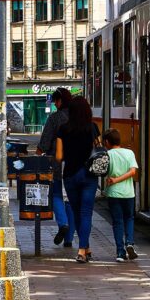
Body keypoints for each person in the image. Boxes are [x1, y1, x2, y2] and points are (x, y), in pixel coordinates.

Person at [55, 96, 99, 263]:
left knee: (76, 212)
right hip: (89, 175)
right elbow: (99, 150)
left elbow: (59, 156)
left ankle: (83, 249)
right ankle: (84, 249)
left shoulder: (63, 129)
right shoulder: (93, 128)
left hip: (70, 175)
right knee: (86, 213)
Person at [36, 88, 75, 247]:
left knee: (56, 194)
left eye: (55, 101)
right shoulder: (76, 117)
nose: (54, 104)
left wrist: (38, 153)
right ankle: (69, 239)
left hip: (57, 162)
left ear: (60, 101)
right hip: (75, 164)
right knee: (71, 200)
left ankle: (63, 224)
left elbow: (45, 142)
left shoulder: (54, 118)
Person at [103, 128, 139, 263]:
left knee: (117, 222)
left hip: (113, 193)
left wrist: (114, 180)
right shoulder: (129, 153)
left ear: (107, 141)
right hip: (129, 193)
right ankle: (129, 243)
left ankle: (120, 252)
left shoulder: (108, 155)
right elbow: (132, 172)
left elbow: (103, 171)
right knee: (129, 218)